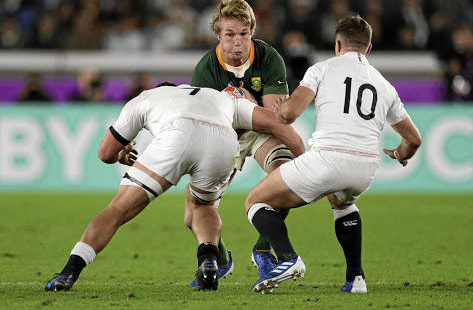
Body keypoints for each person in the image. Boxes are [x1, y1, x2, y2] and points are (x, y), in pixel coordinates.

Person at [44, 82, 305, 292]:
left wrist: (121, 155)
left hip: (176, 134)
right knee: (203, 205)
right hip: (223, 141)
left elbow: (104, 153)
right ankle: (209, 261)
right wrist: (304, 161)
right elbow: (275, 123)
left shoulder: (145, 98)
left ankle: (69, 272)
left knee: (118, 209)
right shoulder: (219, 96)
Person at [245, 16, 422, 294]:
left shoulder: (322, 69)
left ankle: (289, 259)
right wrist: (401, 153)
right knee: (341, 204)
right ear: (369, 48)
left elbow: (290, 114)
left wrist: (281, 110)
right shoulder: (384, 85)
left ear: (337, 43)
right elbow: (414, 139)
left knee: (255, 201)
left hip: (327, 159)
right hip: (365, 169)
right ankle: (356, 279)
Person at [189, 0, 294, 286]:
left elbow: (277, 118)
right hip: (223, 134)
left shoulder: (268, 58)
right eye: (230, 35)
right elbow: (204, 124)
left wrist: (248, 105)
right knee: (193, 208)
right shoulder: (206, 69)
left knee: (286, 176)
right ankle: (219, 258)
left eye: (244, 34)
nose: (238, 42)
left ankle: (263, 249)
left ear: (252, 32)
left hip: (259, 129)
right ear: (218, 35)